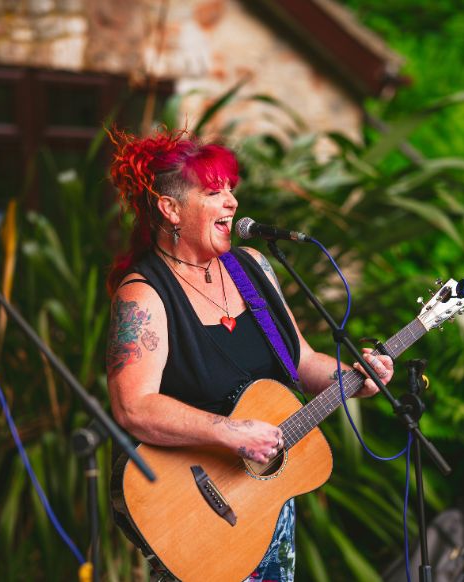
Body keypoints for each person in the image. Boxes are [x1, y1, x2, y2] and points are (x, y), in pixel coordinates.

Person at [105, 127, 394, 581]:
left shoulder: (252, 268)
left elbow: (300, 360)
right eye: (214, 191)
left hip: (263, 509)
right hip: (195, 514)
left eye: (232, 190)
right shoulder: (143, 295)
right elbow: (133, 406)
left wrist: (359, 374)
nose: (232, 202)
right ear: (170, 208)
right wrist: (230, 432)